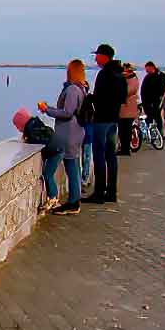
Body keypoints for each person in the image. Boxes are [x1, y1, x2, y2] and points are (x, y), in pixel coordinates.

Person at [36, 59, 86, 214]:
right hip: (76, 132)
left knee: (71, 168)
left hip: (69, 134)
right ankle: (74, 201)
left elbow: (67, 112)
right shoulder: (81, 88)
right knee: (74, 167)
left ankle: (73, 203)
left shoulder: (72, 90)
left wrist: (47, 109)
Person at [83, 44, 127, 204]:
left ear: (104, 56)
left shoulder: (104, 74)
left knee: (100, 156)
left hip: (102, 120)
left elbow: (100, 98)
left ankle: (99, 193)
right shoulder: (120, 75)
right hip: (114, 120)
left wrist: (89, 98)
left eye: (97, 55)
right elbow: (123, 98)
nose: (95, 58)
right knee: (111, 156)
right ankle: (112, 192)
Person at [118, 62, 139, 156]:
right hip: (126, 109)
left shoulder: (132, 79)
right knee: (123, 130)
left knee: (125, 130)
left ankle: (125, 149)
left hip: (127, 109)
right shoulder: (129, 78)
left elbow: (127, 91)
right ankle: (124, 148)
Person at [140, 61, 165, 136]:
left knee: (157, 117)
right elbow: (143, 90)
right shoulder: (147, 77)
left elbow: (164, 89)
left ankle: (159, 133)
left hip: (157, 102)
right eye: (146, 70)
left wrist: (161, 98)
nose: (146, 71)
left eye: (147, 69)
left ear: (152, 67)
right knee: (149, 118)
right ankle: (150, 134)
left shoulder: (161, 76)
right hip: (147, 102)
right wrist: (143, 102)